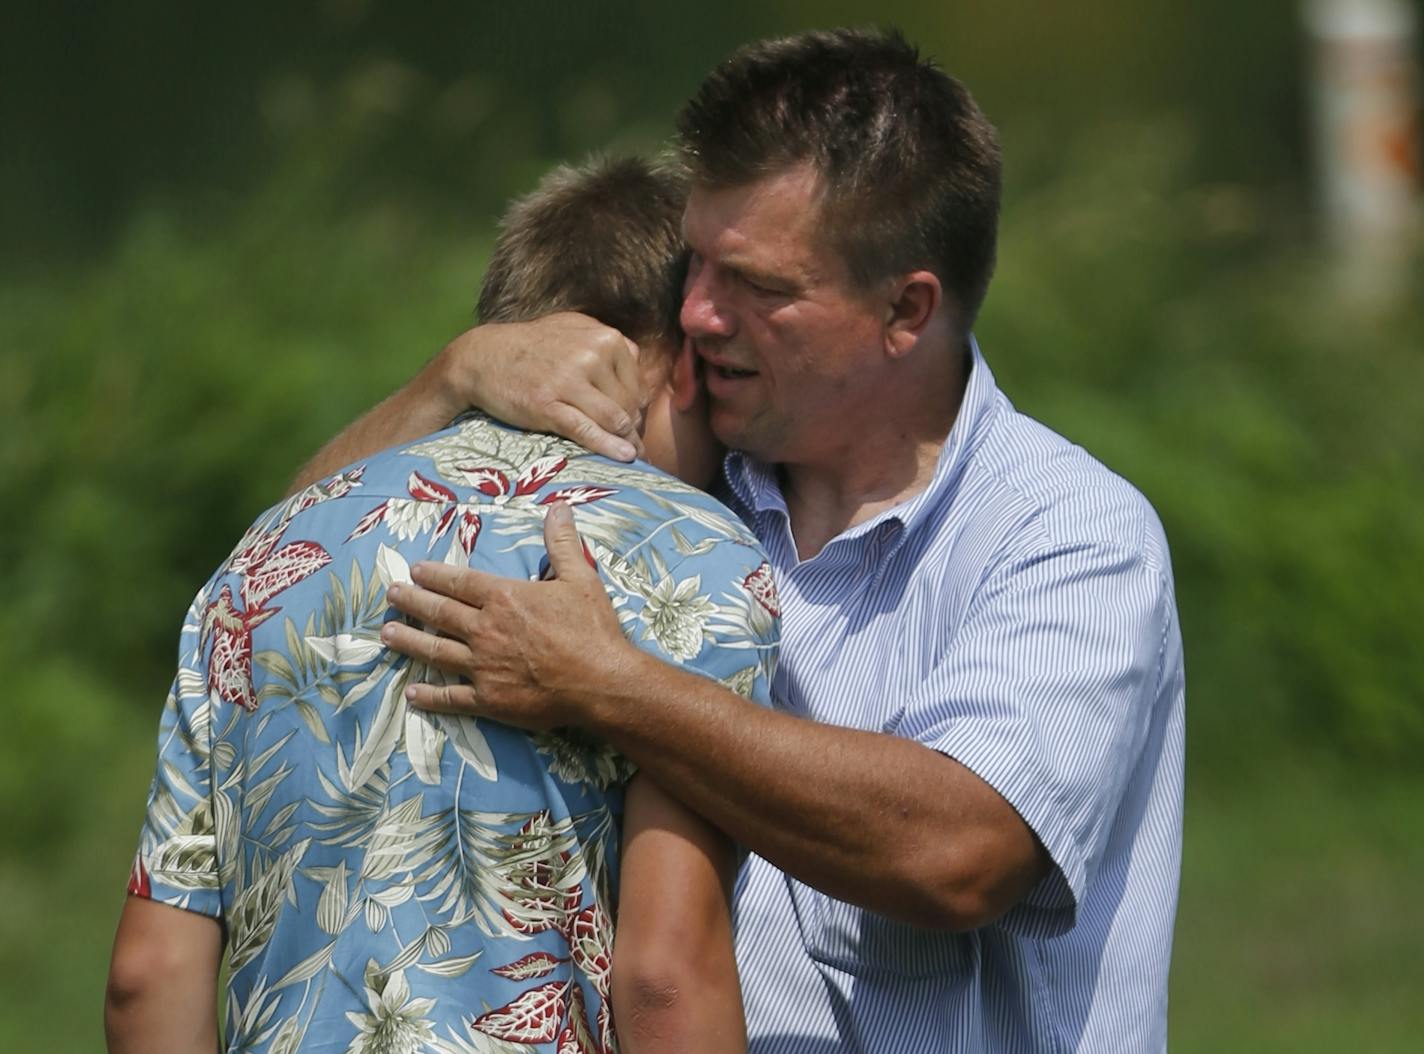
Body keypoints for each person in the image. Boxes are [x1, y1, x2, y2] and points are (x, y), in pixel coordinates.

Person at [288, 28, 1186, 1052]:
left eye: (756, 285)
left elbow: (956, 851)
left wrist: (611, 685)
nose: (698, 313)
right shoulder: (680, 469)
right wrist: (450, 378)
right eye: (696, 261)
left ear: (905, 309)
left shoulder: (1067, 533)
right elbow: (290, 568)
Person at [105, 156, 780, 1054]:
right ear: (686, 359)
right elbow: (664, 979)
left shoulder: (263, 562)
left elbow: (144, 979)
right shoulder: (701, 562)